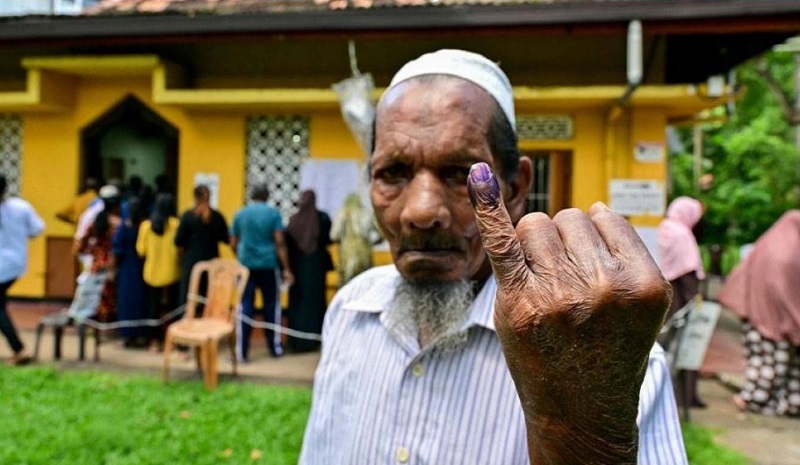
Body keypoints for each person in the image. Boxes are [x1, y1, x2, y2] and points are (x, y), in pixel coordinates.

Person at [299, 49, 685, 464]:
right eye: (393, 173)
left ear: (516, 188)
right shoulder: (350, 312)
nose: (421, 211)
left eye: (458, 174)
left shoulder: (600, 357)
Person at [718, 210, 800, 417]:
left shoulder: (770, 245)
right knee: (779, 362)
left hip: (756, 312)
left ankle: (757, 399)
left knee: (764, 359)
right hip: (780, 318)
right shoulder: (790, 254)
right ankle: (779, 402)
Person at [230, 184, 293, 360]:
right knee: (271, 307)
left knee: (245, 307)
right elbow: (279, 243)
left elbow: (233, 242)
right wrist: (286, 268)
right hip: (268, 266)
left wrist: (241, 256)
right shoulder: (273, 214)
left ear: (251, 195)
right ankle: (274, 349)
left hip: (246, 267)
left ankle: (242, 352)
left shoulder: (240, 214)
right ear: (267, 196)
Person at [657, 196, 707, 408]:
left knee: (662, 349)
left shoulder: (665, 227)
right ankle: (685, 398)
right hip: (683, 302)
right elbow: (688, 270)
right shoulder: (682, 234)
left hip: (667, 299)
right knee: (687, 349)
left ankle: (662, 394)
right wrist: (696, 300)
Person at [0, 174, 44, 365]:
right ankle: (18, 348)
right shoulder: (20, 207)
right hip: (15, 264)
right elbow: (37, 229)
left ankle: (19, 349)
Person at [285, 190, 333, 352]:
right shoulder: (323, 219)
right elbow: (327, 239)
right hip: (316, 270)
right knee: (316, 304)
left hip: (297, 269)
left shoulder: (293, 221)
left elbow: (287, 246)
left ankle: (296, 341)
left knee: (298, 305)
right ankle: (314, 340)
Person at [137, 193, 181, 352]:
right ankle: (175, 340)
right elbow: (180, 249)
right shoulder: (176, 225)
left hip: (151, 274)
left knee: (152, 309)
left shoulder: (146, 226)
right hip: (173, 272)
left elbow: (141, 251)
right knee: (174, 308)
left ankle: (154, 342)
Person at [174, 185, 230, 310]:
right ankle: (208, 325)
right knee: (209, 297)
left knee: (187, 297)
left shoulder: (187, 217)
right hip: (212, 262)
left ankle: (186, 324)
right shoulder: (217, 217)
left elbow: (178, 241)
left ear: (195, 198)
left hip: (191, 263)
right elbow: (226, 239)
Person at [78, 185, 123, 322]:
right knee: (110, 295)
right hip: (112, 263)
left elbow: (82, 241)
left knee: (95, 295)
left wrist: (87, 252)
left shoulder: (97, 219)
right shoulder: (119, 223)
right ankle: (108, 323)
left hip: (97, 263)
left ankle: (95, 325)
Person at [112, 196, 148, 348]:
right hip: (142, 269)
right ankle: (141, 334)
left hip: (126, 270)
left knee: (126, 303)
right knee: (141, 303)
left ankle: (127, 336)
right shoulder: (145, 227)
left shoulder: (123, 228)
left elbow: (117, 250)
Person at [330, 192, 375, 286]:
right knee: (364, 284)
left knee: (346, 286)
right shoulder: (366, 214)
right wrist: (372, 243)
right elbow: (381, 234)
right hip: (365, 253)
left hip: (347, 254)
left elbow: (334, 235)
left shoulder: (342, 213)